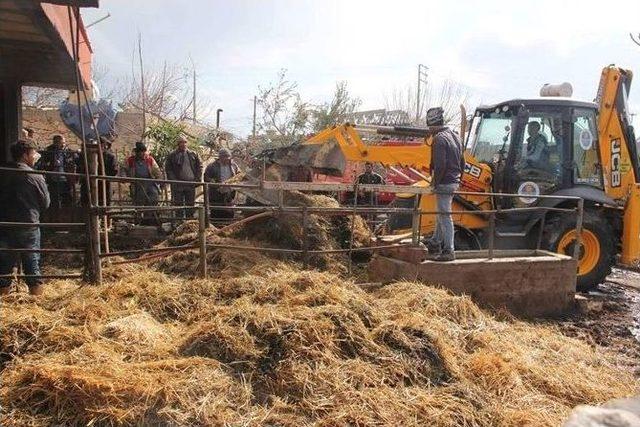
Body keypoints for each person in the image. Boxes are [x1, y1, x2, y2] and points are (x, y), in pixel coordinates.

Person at [0, 140, 50, 296]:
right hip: (28, 223)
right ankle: (36, 300)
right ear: (24, 155)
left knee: (4, 265)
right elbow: (45, 203)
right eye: (33, 153)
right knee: (32, 263)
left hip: (5, 223)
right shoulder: (34, 175)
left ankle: (3, 300)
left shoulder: (3, 172)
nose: (35, 157)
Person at [426, 107, 465, 262]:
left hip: (444, 182)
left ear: (432, 124)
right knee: (441, 213)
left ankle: (449, 251)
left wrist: (434, 183)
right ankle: (435, 242)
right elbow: (463, 162)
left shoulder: (439, 139)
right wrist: (459, 178)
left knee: (445, 215)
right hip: (453, 181)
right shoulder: (456, 137)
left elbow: (440, 165)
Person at [122, 142, 162, 224]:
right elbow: (123, 168)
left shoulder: (150, 159)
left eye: (144, 151)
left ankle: (148, 220)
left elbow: (157, 171)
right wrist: (124, 177)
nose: (143, 153)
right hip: (137, 184)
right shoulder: (131, 160)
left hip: (150, 184)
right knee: (139, 203)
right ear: (137, 152)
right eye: (141, 152)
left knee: (153, 200)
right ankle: (138, 221)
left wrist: (160, 180)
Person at [164, 136, 202, 219]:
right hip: (178, 184)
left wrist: (197, 179)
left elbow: (200, 167)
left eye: (185, 142)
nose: (183, 144)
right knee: (178, 205)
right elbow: (168, 169)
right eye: (181, 142)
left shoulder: (193, 154)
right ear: (178, 144)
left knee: (190, 205)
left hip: (190, 183)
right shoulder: (172, 155)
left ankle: (189, 222)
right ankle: (179, 222)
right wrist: (174, 180)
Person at [37, 134, 77, 209]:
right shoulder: (49, 150)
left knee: (67, 199)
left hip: (65, 179)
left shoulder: (69, 151)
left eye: (64, 143)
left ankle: (66, 216)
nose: (63, 145)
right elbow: (42, 162)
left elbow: (74, 161)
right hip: (53, 178)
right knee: (54, 198)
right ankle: (54, 216)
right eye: (60, 143)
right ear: (55, 143)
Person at [204, 148, 240, 222]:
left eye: (228, 157)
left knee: (229, 212)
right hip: (217, 193)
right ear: (220, 157)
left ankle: (227, 228)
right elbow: (206, 177)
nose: (227, 159)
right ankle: (216, 227)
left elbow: (239, 174)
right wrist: (213, 182)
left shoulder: (234, 165)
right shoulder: (212, 166)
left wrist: (235, 181)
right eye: (225, 157)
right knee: (217, 212)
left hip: (230, 193)